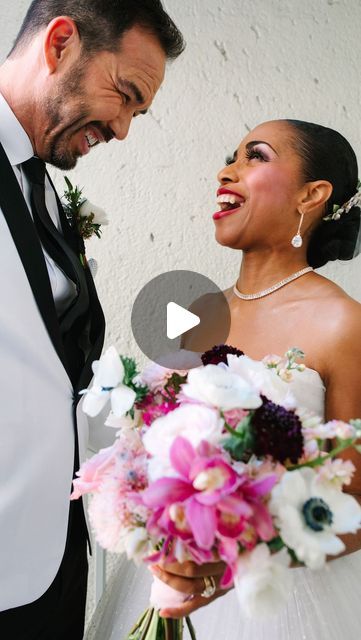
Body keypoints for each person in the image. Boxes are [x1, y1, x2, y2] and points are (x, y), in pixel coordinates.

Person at [85, 119, 361, 640]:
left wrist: (239, 557)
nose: (225, 171)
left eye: (254, 156)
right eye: (230, 155)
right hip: (165, 579)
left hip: (276, 605)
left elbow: (358, 500)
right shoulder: (199, 311)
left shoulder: (343, 323)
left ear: (313, 194)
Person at [0, 1, 184, 639]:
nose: (126, 130)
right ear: (59, 45)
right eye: (126, 95)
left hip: (51, 558)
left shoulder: (43, 186)